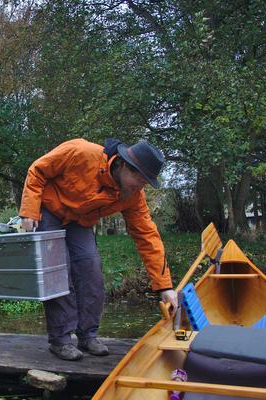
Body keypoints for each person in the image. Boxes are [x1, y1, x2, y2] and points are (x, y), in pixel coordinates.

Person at [19, 138, 177, 361]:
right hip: (50, 210)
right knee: (58, 271)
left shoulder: (133, 195)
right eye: (138, 178)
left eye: (145, 182)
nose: (139, 186)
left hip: (79, 221)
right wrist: (29, 211)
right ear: (123, 164)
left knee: (91, 269)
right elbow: (37, 171)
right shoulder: (81, 152)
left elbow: (147, 237)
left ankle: (88, 335)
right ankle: (60, 340)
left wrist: (164, 286)